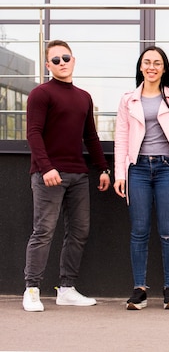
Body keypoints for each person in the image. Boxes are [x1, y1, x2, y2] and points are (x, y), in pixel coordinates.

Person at [23, 40, 111, 312]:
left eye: (66, 57)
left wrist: (103, 168)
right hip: (48, 174)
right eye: (56, 60)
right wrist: (46, 167)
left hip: (78, 175)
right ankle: (32, 289)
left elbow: (91, 137)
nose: (62, 63)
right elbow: (33, 133)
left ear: (73, 60)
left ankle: (67, 288)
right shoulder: (40, 94)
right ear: (48, 65)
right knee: (44, 231)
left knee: (79, 231)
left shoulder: (84, 96)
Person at [113, 46, 169, 310]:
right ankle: (139, 290)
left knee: (167, 232)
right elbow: (121, 138)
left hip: (168, 169)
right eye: (147, 62)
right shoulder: (129, 99)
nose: (151, 67)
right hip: (137, 169)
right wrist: (119, 174)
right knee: (139, 231)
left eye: (157, 63)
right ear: (140, 67)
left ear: (163, 68)